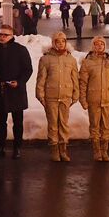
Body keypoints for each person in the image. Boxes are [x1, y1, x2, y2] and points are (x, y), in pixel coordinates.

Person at [36, 31, 79, 162]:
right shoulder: (46, 59)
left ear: (66, 43)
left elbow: (75, 78)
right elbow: (41, 79)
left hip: (65, 96)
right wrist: (40, 95)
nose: (60, 44)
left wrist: (75, 94)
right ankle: (54, 149)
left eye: (63, 41)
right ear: (53, 43)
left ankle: (63, 149)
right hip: (51, 97)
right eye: (57, 42)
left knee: (64, 124)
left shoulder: (71, 59)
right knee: (53, 124)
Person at [0, 24, 32, 158]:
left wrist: (19, 82)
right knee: (0, 121)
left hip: (16, 91)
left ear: (12, 36)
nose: (2, 37)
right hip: (1, 90)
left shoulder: (20, 50)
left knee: (17, 121)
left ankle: (17, 148)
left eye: (5, 35)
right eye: (0, 35)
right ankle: (0, 147)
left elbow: (28, 69)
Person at [79, 36, 109, 162]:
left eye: (102, 44)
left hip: (108, 99)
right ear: (93, 46)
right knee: (95, 126)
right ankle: (96, 151)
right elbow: (83, 83)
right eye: (96, 44)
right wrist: (83, 99)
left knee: (106, 126)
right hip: (94, 99)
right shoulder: (87, 62)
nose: (99, 46)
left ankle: (104, 150)